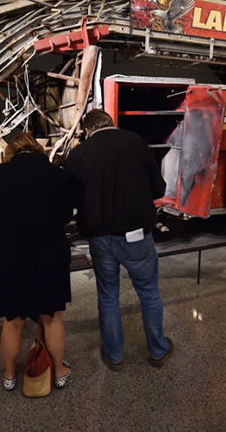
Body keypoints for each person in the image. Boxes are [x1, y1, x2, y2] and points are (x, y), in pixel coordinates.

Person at [65, 109, 174, 371]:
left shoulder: (79, 153)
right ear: (111, 124)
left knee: (108, 296)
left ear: (87, 130)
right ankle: (158, 350)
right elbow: (159, 188)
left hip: (100, 238)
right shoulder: (134, 142)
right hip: (136, 235)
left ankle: (114, 355)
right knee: (148, 293)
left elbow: (70, 199)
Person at [0, 132, 73, 391]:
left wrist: (7, 225)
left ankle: (9, 374)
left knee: (12, 319)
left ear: (12, 152)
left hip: (10, 256)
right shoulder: (57, 174)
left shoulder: (1, 174)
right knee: (52, 317)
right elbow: (66, 214)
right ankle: (60, 370)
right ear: (37, 151)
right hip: (50, 254)